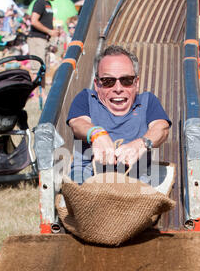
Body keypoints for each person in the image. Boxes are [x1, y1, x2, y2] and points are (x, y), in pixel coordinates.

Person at [66, 45, 171, 185]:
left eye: (126, 80)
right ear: (97, 84)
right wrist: (96, 133)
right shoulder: (86, 98)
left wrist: (141, 144)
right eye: (108, 81)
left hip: (136, 181)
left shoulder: (148, 101)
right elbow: (78, 123)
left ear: (136, 83)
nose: (118, 89)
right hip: (88, 180)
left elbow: (161, 128)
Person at [27, 0, 62, 85]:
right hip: (37, 39)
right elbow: (34, 21)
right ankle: (36, 94)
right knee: (36, 69)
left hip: (45, 39)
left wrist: (53, 32)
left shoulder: (48, 4)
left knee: (43, 68)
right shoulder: (39, 3)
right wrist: (49, 31)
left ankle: (41, 93)